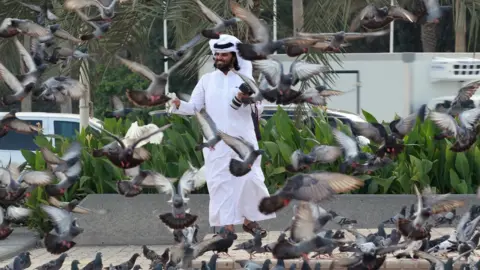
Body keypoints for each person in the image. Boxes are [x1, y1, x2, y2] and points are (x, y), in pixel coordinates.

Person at [168, 34, 276, 237]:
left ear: (234, 56)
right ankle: (226, 227)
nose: (219, 58)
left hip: (244, 140)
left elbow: (260, 107)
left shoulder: (246, 80)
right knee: (220, 183)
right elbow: (194, 107)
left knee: (250, 181)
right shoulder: (206, 81)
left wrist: (245, 99)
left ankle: (249, 221)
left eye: (224, 54)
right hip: (216, 143)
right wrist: (178, 105)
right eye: (217, 54)